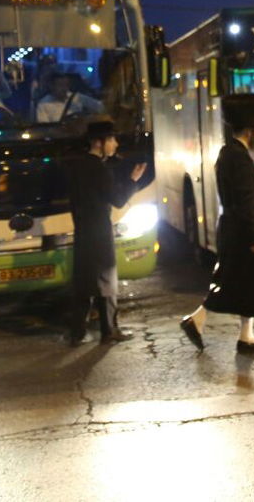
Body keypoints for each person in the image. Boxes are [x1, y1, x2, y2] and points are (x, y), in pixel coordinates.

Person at [181, 94, 254, 355]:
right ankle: (201, 322)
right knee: (238, 283)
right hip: (242, 232)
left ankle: (245, 336)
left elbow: (240, 199)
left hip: (233, 228)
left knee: (241, 284)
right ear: (251, 131)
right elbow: (243, 200)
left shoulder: (228, 153)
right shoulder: (239, 158)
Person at [65, 118, 145, 346]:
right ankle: (109, 331)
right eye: (112, 140)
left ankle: (77, 333)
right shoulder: (99, 169)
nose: (116, 144)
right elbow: (117, 200)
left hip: (82, 229)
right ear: (100, 142)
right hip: (100, 229)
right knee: (107, 280)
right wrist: (132, 181)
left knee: (84, 281)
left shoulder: (76, 166)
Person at [35, 71, 102, 123]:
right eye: (60, 85)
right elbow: (44, 127)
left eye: (66, 85)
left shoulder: (77, 97)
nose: (64, 88)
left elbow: (99, 107)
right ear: (51, 86)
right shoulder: (43, 104)